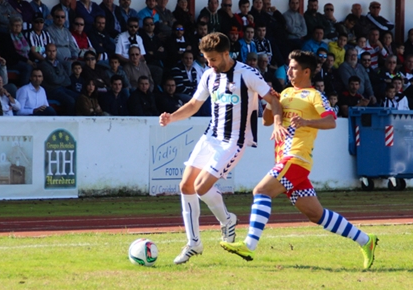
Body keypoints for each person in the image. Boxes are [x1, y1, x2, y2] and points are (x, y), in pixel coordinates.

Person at [220, 50, 378, 268]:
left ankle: (249, 244)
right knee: (316, 215)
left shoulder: (315, 96)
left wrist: (306, 122)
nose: (289, 71)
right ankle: (366, 241)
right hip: (285, 160)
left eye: (293, 67)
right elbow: (266, 121)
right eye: (288, 66)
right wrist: (270, 101)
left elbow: (331, 122)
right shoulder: (285, 93)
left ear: (306, 71)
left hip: (296, 158)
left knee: (261, 191)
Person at [159, 32, 284, 264]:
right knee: (186, 185)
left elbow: (274, 99)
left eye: (213, 59)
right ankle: (194, 243)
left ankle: (227, 220)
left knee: (201, 186)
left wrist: (277, 123)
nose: (209, 64)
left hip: (234, 141)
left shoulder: (248, 74)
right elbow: (194, 104)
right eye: (206, 59)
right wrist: (172, 118)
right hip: (210, 137)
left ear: (227, 54)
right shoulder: (208, 75)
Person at [39, 43, 78, 115]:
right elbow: (54, 80)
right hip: (51, 90)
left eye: (54, 51)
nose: (52, 53)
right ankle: (68, 122)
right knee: (71, 101)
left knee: (79, 97)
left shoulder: (58, 63)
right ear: (46, 52)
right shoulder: (43, 65)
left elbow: (68, 81)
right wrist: (62, 77)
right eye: (49, 51)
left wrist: (59, 79)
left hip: (61, 88)